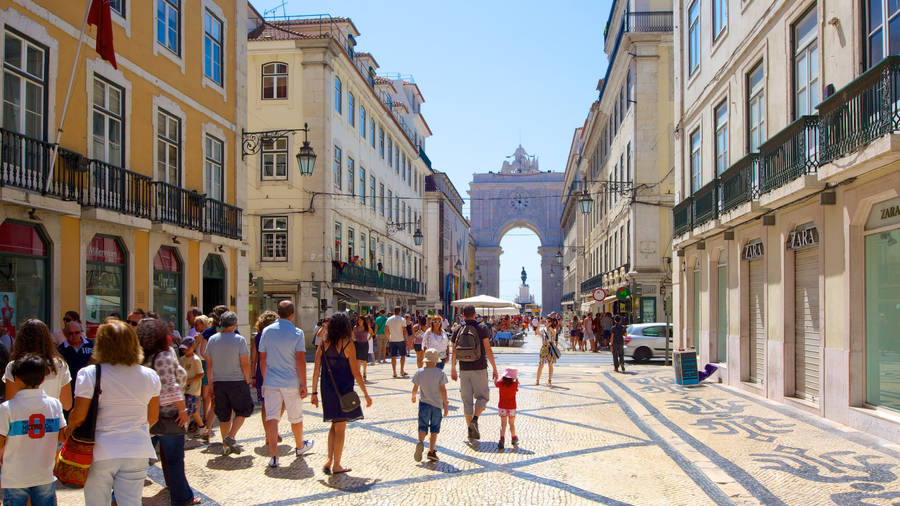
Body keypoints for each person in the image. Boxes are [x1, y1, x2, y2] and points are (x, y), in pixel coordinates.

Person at [68, 320, 161, 506]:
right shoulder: (150, 375)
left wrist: (68, 429)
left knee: (96, 501)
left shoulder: (89, 374)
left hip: (100, 450)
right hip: (137, 448)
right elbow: (152, 417)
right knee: (131, 502)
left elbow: (79, 416)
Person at [137, 318, 197, 506]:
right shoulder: (162, 356)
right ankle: (182, 498)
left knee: (137, 460)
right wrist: (183, 410)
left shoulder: (140, 355)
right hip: (168, 414)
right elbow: (169, 387)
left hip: (146, 413)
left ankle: (120, 495)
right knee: (174, 460)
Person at [0, 354, 67, 505]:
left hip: (15, 476)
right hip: (44, 474)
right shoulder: (55, 405)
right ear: (43, 379)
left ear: (16, 379)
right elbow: (62, 437)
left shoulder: (7, 408)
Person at [310, 312, 372, 475]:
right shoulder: (348, 344)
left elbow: (316, 369)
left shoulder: (323, 344)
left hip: (327, 389)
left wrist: (314, 392)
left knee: (334, 424)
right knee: (340, 427)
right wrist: (366, 393)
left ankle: (330, 460)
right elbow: (356, 373)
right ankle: (336, 464)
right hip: (343, 388)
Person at [258, 301, 314, 468]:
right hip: (291, 381)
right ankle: (299, 446)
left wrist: (265, 378)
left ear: (278, 313)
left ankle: (274, 456)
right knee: (296, 417)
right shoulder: (297, 333)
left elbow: (262, 358)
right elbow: (300, 360)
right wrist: (303, 383)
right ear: (292, 313)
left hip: (271, 381)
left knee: (272, 417)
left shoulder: (266, 332)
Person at [204, 311, 252, 455]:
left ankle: (225, 446)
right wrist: (247, 378)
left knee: (224, 414)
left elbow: (209, 363)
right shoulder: (239, 340)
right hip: (237, 380)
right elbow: (244, 362)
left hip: (219, 381)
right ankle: (231, 436)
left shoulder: (212, 340)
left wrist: (211, 382)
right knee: (243, 410)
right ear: (234, 324)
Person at [450, 304, 498, 441]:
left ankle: (470, 432)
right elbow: (488, 349)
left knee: (467, 401)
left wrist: (453, 368)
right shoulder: (482, 327)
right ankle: (475, 420)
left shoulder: (457, 329)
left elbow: (454, 350)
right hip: (479, 367)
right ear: (475, 313)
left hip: (463, 369)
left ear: (463, 315)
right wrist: (494, 368)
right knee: (483, 397)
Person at [4, 319, 72, 412]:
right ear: (47, 339)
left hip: (22, 423)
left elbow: (10, 403)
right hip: (51, 421)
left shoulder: (13, 366)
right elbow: (67, 404)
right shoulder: (60, 365)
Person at [411, 348, 448, 462]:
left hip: (424, 404)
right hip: (437, 405)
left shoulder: (419, 372)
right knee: (434, 429)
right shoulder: (440, 373)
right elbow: (443, 390)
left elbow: (415, 388)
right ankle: (431, 451)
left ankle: (421, 442)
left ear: (425, 360)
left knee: (422, 426)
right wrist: (445, 404)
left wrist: (413, 396)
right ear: (436, 361)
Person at [250, 310, 278, 437]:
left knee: (265, 404)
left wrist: (254, 376)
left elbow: (253, 359)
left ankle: (269, 433)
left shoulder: (257, 337)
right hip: (275, 371)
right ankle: (272, 430)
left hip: (261, 373)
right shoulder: (276, 335)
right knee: (278, 403)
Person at [56, 320, 93, 412]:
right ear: (65, 334)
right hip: (71, 387)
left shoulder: (91, 345)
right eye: (70, 333)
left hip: (89, 386)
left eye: (77, 332)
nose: (74, 335)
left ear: (81, 332)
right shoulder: (61, 350)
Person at [179, 337, 205, 435]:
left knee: (189, 412)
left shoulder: (195, 359)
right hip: (184, 389)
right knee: (191, 412)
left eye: (187, 348)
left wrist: (189, 380)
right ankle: (202, 427)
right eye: (183, 349)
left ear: (193, 347)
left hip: (193, 390)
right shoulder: (182, 359)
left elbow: (201, 374)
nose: (184, 350)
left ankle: (184, 433)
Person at [495, 367, 519, 450]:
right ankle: (513, 438)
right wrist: (516, 379)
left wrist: (500, 377)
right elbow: (516, 383)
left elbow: (496, 383)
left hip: (502, 407)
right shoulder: (515, 384)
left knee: (503, 424)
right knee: (511, 424)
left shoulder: (501, 383)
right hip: (512, 407)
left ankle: (502, 439)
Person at [385, 307, 408, 377]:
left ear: (393, 311)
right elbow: (404, 330)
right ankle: (401, 370)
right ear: (400, 311)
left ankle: (394, 372)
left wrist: (388, 338)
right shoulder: (402, 319)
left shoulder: (389, 319)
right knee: (403, 355)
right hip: (400, 339)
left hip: (392, 340)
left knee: (393, 356)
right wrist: (406, 339)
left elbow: (386, 330)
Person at [536, 317, 558, 386]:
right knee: (540, 365)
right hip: (544, 348)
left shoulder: (552, 329)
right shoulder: (543, 329)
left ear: (550, 323)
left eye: (547, 321)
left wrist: (549, 326)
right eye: (545, 321)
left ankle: (549, 381)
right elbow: (537, 333)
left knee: (550, 365)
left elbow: (554, 334)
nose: (546, 323)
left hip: (550, 348)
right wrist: (538, 325)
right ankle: (537, 381)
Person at [352, 315, 371, 381]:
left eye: (361, 320)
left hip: (365, 344)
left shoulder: (366, 327)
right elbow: (352, 335)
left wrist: (368, 339)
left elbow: (372, 333)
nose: (359, 321)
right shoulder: (355, 327)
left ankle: (364, 372)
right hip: (357, 344)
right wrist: (354, 339)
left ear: (363, 321)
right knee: (358, 360)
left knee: (364, 360)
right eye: (358, 320)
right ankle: (358, 375)